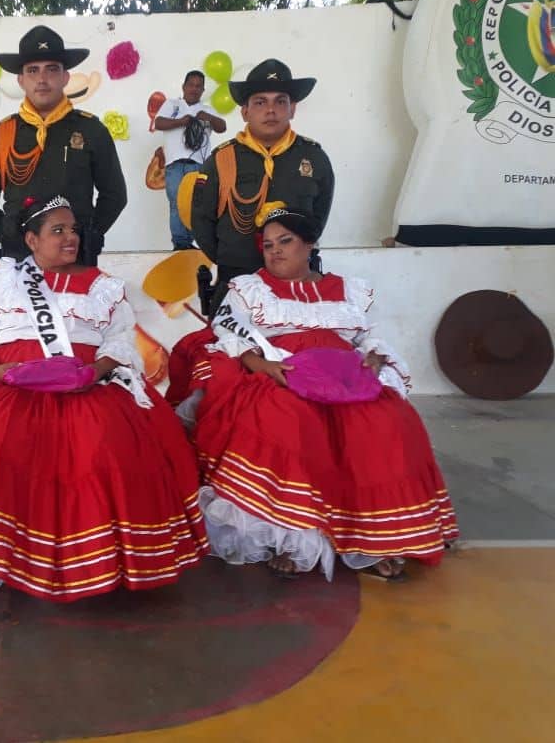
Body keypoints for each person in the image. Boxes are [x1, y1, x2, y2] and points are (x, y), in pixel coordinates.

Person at [0, 194, 208, 601]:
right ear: (31, 240)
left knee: (103, 446)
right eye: (58, 231)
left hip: (88, 382)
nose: (70, 238)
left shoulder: (104, 287)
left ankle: (96, 558)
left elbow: (119, 341)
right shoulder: (4, 279)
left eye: (73, 230)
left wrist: (94, 372)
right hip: (11, 383)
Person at [173, 206, 458, 582]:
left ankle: (373, 542)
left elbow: (367, 336)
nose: (275, 251)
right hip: (281, 371)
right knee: (286, 419)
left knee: (389, 423)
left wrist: (373, 358)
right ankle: (294, 540)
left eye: (285, 241)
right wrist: (263, 366)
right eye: (268, 245)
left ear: (309, 244)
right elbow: (229, 336)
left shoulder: (350, 291)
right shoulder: (249, 289)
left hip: (343, 376)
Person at [0, 25, 127, 264]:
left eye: (52, 69)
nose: (42, 79)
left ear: (65, 77)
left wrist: (88, 236)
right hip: (19, 263)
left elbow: (115, 195)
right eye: (33, 70)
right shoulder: (2, 135)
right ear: (21, 80)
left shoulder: (91, 130)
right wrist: (11, 238)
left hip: (75, 261)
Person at [190, 59, 334, 312]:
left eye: (280, 101)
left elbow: (318, 219)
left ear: (292, 109)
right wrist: (236, 259)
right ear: (245, 111)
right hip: (237, 285)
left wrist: (290, 261)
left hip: (297, 288)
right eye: (260, 102)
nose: (271, 110)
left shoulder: (314, 158)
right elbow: (201, 222)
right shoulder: (221, 160)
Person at [153, 70, 226, 251]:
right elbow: (159, 123)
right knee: (176, 203)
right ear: (184, 87)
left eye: (198, 86)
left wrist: (208, 118)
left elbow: (222, 127)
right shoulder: (172, 104)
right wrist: (181, 122)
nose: (194, 89)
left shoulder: (207, 109)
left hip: (199, 165)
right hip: (174, 164)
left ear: (203, 90)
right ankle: (180, 244)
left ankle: (195, 242)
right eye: (191, 85)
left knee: (196, 205)